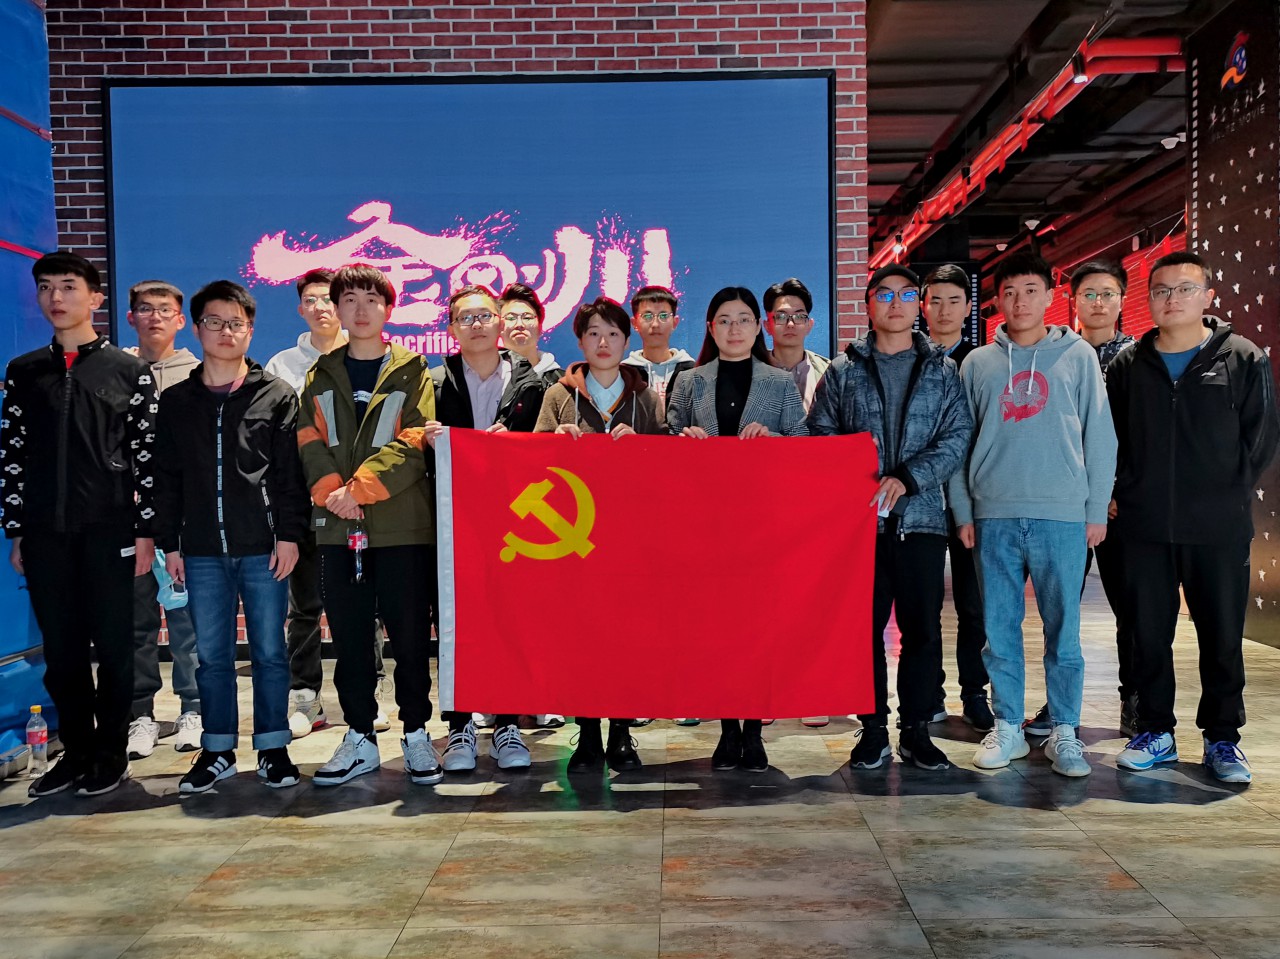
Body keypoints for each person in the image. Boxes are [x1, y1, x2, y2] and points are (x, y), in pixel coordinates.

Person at [1109, 251, 1279, 783]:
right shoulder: (1128, 365)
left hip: (1217, 526)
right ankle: (1155, 731)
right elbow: (1112, 438)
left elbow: (1261, 436)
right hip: (1143, 525)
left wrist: (1227, 493)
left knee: (1222, 635)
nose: (1172, 299)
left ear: (1207, 296)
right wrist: (1121, 490)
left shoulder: (1242, 358)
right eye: (1161, 290)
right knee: (1147, 634)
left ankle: (1222, 739)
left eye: (1185, 288)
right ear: (1149, 299)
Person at [949, 252, 1116, 778]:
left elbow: (1100, 436)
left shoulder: (1078, 357)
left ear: (1049, 296)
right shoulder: (978, 364)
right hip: (993, 515)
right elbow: (959, 443)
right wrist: (963, 509)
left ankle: (1064, 729)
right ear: (997, 301)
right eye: (1009, 292)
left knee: (1063, 632)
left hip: (1062, 516)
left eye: (1030, 290)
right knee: (999, 630)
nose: (1019, 301)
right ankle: (1009, 726)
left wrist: (1095, 508)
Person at [4, 251, 158, 798]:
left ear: (95, 297)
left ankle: (111, 755)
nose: (56, 297)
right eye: (46, 287)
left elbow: (146, 458)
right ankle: (76, 752)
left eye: (68, 286)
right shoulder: (24, 372)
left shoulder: (128, 371)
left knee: (115, 648)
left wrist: (146, 531)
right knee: (62, 652)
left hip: (110, 530)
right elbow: (13, 455)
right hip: (45, 532)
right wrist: (17, 531)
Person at [809, 266, 972, 770]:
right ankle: (873, 728)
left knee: (922, 630)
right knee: (864, 632)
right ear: (868, 305)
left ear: (917, 305)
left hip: (921, 521)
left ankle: (916, 730)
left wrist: (908, 477)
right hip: (860, 527)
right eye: (885, 295)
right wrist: (858, 478)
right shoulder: (843, 371)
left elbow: (957, 437)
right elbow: (821, 434)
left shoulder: (943, 371)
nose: (895, 304)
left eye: (905, 295)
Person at [154, 280, 308, 793]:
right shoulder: (177, 401)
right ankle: (217, 749)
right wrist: (170, 544)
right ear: (198, 329)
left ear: (250, 330)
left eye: (236, 323)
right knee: (212, 658)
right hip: (199, 551)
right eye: (215, 322)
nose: (226, 332)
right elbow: (166, 478)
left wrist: (289, 536)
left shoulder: (276, 395)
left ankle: (273, 748)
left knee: (270, 653)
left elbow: (289, 476)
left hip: (264, 547)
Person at [298, 264, 441, 786]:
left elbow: (416, 441)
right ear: (336, 308)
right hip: (339, 531)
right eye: (350, 299)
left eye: (371, 300)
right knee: (352, 640)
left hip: (403, 528)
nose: (361, 310)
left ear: (388, 309)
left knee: (409, 638)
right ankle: (359, 736)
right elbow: (308, 441)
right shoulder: (319, 375)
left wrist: (356, 491)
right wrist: (333, 496)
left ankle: (416, 733)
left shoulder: (413, 370)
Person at [666, 286, 808, 773]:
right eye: (724, 320)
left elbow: (804, 442)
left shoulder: (779, 382)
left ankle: (754, 732)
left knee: (758, 631)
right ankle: (727, 730)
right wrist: (684, 440)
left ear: (758, 326)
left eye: (744, 319)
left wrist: (772, 438)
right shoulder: (690, 381)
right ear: (711, 327)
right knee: (717, 632)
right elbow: (666, 441)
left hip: (761, 526)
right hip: (705, 525)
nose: (734, 328)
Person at [534, 296, 663, 772]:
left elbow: (667, 467)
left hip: (630, 540)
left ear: (627, 341)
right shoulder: (557, 396)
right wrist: (554, 443)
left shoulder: (647, 398)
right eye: (593, 334)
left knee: (627, 638)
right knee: (580, 637)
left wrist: (644, 447)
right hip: (575, 538)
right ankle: (587, 733)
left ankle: (622, 733)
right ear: (580, 342)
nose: (603, 343)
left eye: (612, 334)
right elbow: (532, 464)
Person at [428, 284, 551, 771]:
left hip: (514, 525)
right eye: (466, 318)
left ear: (500, 322)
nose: (476, 324)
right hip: (453, 522)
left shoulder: (531, 383)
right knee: (454, 622)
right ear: (451, 329)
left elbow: (544, 453)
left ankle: (506, 724)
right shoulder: (434, 382)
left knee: (509, 620)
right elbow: (412, 442)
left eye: (484, 315)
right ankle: (459, 725)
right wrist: (428, 438)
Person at [265, 270, 391, 740]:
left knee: (364, 602)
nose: (321, 307)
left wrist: (352, 491)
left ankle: (370, 692)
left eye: (327, 299)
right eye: (311, 300)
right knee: (304, 606)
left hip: (358, 502)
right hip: (305, 503)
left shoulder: (370, 358)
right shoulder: (283, 365)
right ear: (301, 308)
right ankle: (305, 696)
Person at [121, 280, 203, 758]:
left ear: (180, 320)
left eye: (164, 310)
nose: (154, 317)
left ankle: (193, 708)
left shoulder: (197, 373)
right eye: (145, 309)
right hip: (126, 521)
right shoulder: (115, 371)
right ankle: (141, 716)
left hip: (182, 520)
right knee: (136, 624)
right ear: (130, 317)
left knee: (187, 622)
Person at [920, 264, 993, 732]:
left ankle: (974, 692)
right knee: (924, 603)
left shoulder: (982, 362)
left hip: (974, 499)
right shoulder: (911, 358)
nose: (944, 310)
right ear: (923, 307)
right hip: (923, 499)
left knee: (973, 604)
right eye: (935, 301)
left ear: (969, 308)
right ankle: (929, 692)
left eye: (954, 301)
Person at [621, 284, 694, 419]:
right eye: (647, 316)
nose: (655, 324)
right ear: (635, 323)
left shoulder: (692, 372)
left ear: (675, 322)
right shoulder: (624, 374)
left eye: (663, 316)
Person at [763, 276, 830, 413]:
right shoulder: (751, 370)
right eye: (781, 317)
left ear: (809, 325)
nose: (790, 324)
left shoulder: (828, 372)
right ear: (767, 326)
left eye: (799, 317)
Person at [498, 282, 561, 383]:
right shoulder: (486, 377)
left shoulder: (561, 382)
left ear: (540, 328)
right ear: (499, 327)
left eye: (527, 318)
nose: (519, 324)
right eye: (511, 318)